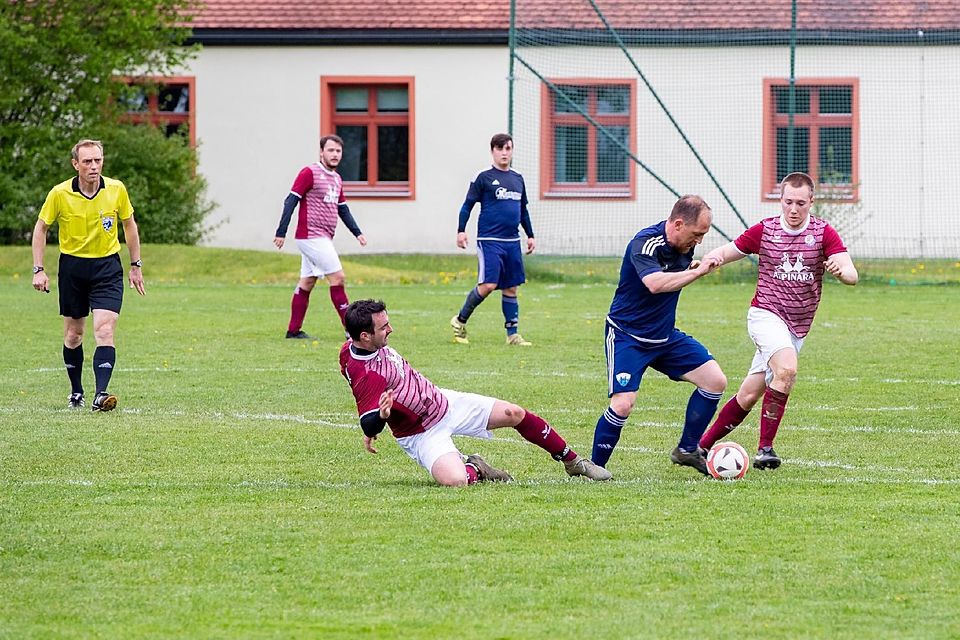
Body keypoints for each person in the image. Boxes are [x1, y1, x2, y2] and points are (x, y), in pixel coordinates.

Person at [341, 299, 611, 486]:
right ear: (365, 336)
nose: (391, 329)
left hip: (443, 402)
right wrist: (380, 418)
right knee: (456, 481)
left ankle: (574, 462)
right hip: (421, 433)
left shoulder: (356, 345)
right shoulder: (368, 374)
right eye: (384, 327)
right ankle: (477, 468)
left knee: (513, 412)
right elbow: (367, 418)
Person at [697, 172, 858, 469]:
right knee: (786, 370)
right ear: (780, 201)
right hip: (765, 315)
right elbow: (729, 250)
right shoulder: (766, 230)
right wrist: (709, 260)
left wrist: (841, 271)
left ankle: (699, 447)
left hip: (797, 327)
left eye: (800, 203)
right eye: (788, 202)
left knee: (748, 393)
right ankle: (765, 449)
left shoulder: (823, 233)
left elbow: (852, 274)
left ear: (811, 202)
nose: (793, 209)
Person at [590, 195, 726, 476]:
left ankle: (687, 449)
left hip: (664, 337)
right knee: (623, 404)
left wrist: (691, 268)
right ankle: (594, 468)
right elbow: (654, 284)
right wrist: (697, 273)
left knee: (715, 381)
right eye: (697, 234)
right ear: (678, 224)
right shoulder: (645, 243)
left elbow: (674, 273)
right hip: (628, 335)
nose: (699, 241)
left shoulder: (683, 245)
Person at [31, 139, 146, 412]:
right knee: (74, 334)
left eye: (98, 160)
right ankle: (76, 391)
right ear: (75, 164)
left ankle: (101, 394)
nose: (94, 166)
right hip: (72, 268)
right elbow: (40, 229)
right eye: (87, 161)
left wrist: (136, 264)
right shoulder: (59, 194)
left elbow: (129, 225)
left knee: (105, 329)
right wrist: (39, 269)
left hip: (107, 267)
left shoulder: (116, 189)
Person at [274, 134, 367, 339]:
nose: (335, 154)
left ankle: (293, 330)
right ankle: (351, 331)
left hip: (323, 237)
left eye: (338, 151)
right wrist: (281, 231)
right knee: (338, 278)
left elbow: (342, 209)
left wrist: (357, 233)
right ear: (321, 152)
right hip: (311, 236)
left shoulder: (336, 178)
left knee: (307, 281)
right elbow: (290, 200)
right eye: (331, 150)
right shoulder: (310, 172)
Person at [450, 133, 535, 347]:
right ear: (492, 151)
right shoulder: (483, 177)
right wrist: (461, 230)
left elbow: (522, 210)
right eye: (500, 149)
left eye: (508, 148)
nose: (504, 153)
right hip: (489, 240)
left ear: (512, 151)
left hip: (512, 241)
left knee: (511, 288)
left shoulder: (517, 178)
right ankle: (459, 321)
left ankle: (512, 335)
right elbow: (467, 205)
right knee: (488, 285)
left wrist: (530, 235)